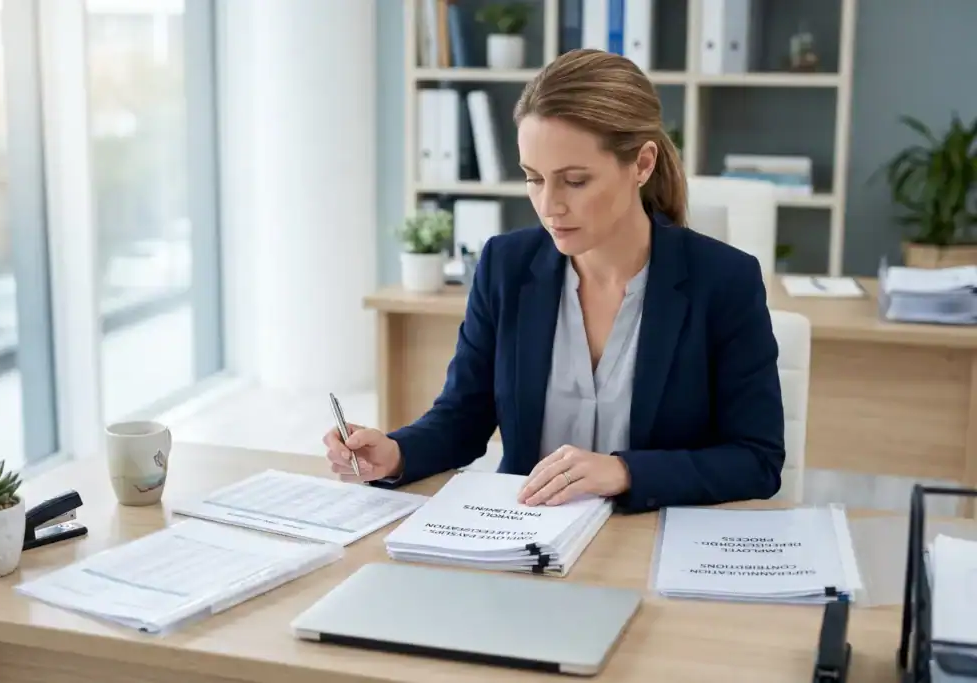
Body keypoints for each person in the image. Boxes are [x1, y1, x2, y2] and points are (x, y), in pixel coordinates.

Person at [323, 49, 785, 514]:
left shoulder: (725, 281)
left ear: (642, 165)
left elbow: (756, 460)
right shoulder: (505, 265)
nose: (549, 205)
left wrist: (625, 471)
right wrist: (396, 454)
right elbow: (462, 418)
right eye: (534, 178)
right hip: (524, 538)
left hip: (649, 542)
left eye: (575, 181)